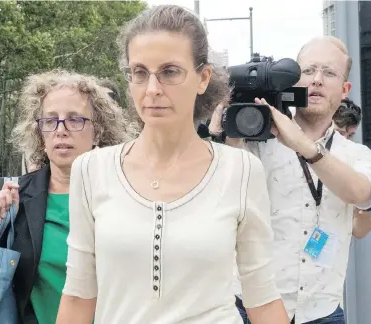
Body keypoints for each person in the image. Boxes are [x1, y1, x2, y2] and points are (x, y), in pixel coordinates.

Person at [56, 5, 289, 324]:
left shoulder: (241, 171)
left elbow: (262, 298)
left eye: (169, 71)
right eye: (139, 72)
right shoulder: (92, 170)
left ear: (202, 78)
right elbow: (78, 296)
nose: (152, 89)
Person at [209, 36, 371, 324]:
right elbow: (218, 190)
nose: (317, 81)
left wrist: (305, 147)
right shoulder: (257, 143)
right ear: (291, 81)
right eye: (308, 71)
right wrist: (223, 134)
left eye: (329, 73)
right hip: (251, 307)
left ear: (344, 89)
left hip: (321, 312)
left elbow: (362, 195)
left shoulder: (357, 155)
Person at [0, 69, 132, 324]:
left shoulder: (128, 194)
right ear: (40, 133)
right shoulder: (14, 199)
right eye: (50, 121)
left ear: (98, 131)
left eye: (74, 119)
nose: (61, 130)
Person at [333, 98, 371, 238]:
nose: (344, 140)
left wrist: (362, 209)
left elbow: (360, 231)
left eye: (349, 136)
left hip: (334, 246)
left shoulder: (358, 159)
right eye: (338, 133)